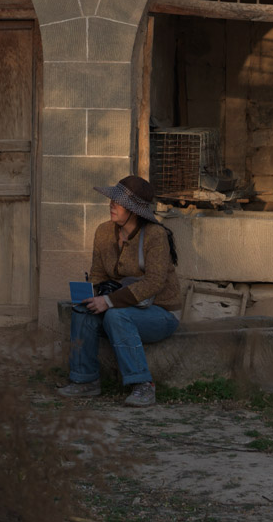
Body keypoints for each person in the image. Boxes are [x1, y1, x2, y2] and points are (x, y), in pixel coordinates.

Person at [57, 174, 182, 407]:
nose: (111, 205)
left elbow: (154, 282)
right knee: (83, 311)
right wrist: (94, 294)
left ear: (134, 210)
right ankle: (85, 380)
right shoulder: (104, 232)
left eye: (119, 202)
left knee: (116, 315)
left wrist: (109, 301)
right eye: (112, 200)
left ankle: (143, 385)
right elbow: (98, 273)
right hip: (121, 305)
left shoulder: (155, 235)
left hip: (159, 312)